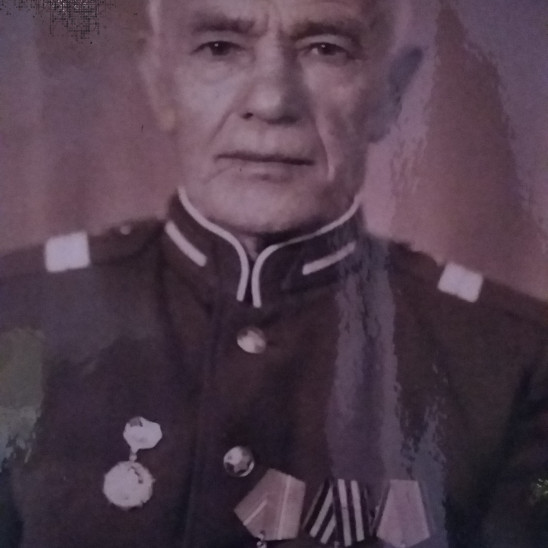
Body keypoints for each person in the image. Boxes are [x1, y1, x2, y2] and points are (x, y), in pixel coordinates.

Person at [1, 0, 548, 547]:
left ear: (390, 92)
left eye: (326, 49)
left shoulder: (514, 367)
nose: (271, 101)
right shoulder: (16, 320)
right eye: (220, 48)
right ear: (160, 81)